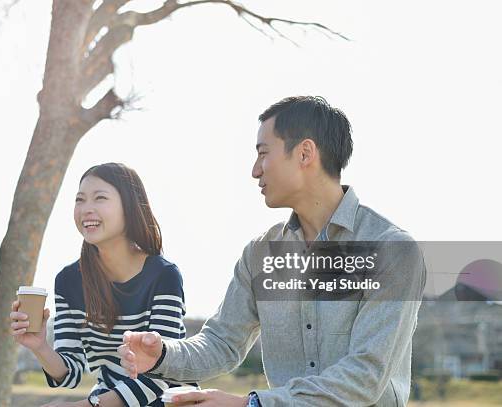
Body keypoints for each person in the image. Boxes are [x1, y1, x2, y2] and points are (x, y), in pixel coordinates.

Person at [119, 96, 426, 406]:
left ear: (305, 153)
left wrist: (251, 404)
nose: (255, 170)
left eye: (263, 154)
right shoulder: (259, 255)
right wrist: (162, 354)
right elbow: (222, 342)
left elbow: (364, 377)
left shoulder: (392, 250)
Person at [10, 163, 195, 407]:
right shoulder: (68, 281)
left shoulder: (164, 276)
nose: (87, 209)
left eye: (100, 198)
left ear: (128, 207)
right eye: (80, 200)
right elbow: (71, 372)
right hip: (105, 399)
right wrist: (40, 347)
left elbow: (159, 376)